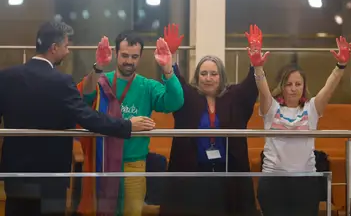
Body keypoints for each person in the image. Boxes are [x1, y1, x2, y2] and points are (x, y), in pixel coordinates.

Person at [0, 21, 156, 216]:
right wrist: (127, 125)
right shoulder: (61, 81)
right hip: (51, 173)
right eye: (66, 47)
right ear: (54, 48)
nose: (67, 52)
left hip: (14, 172)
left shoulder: (6, 77)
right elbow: (88, 117)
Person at [77, 31, 184, 215]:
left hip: (134, 164)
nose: (129, 61)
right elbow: (85, 96)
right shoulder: (102, 80)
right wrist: (99, 66)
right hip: (104, 162)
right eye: (125, 55)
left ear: (140, 57)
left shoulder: (147, 86)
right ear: (116, 54)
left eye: (134, 57)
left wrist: (167, 69)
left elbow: (175, 102)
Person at [249, 25, 349, 216]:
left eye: (298, 84)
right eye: (289, 84)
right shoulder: (272, 109)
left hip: (306, 181)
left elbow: (328, 89)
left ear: (304, 87)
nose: (293, 88)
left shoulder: (311, 109)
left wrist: (340, 67)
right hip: (273, 181)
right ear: (282, 86)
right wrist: (258, 66)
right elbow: (262, 88)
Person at [160, 24, 259, 216]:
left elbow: (250, 87)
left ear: (221, 77)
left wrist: (255, 61)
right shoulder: (187, 96)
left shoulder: (234, 96)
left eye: (214, 74)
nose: (208, 78)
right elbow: (175, 83)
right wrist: (170, 59)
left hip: (227, 177)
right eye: (203, 74)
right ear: (197, 77)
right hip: (192, 176)